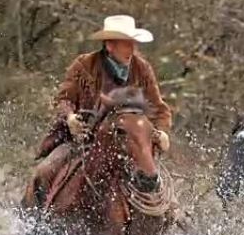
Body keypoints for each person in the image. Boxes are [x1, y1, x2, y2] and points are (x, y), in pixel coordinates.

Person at [29, 15, 172, 207]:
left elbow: (158, 107)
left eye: (132, 44)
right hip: (83, 140)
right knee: (43, 172)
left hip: (126, 143)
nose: (132, 49)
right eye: (125, 44)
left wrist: (162, 131)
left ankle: (172, 218)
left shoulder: (142, 68)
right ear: (110, 45)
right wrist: (70, 118)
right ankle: (36, 223)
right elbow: (63, 99)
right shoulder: (84, 65)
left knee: (158, 186)